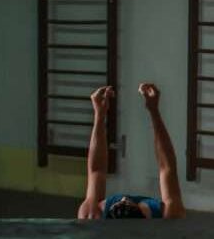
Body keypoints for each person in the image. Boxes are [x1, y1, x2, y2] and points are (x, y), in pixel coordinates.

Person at [76, 83, 186, 219]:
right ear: (140, 212)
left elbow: (97, 170)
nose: (123, 198)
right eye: (126, 203)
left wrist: (99, 115)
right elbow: (167, 167)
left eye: (118, 203)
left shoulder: (92, 214)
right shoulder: (170, 214)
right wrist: (154, 111)